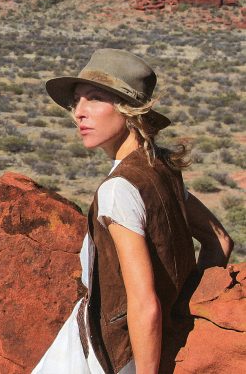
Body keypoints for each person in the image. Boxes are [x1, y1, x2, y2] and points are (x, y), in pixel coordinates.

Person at [32, 49, 234, 374]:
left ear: (129, 110)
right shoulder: (162, 169)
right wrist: (181, 311)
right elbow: (220, 241)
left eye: (94, 99)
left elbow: (144, 305)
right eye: (76, 101)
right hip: (145, 343)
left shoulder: (118, 190)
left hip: (112, 353)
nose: (78, 113)